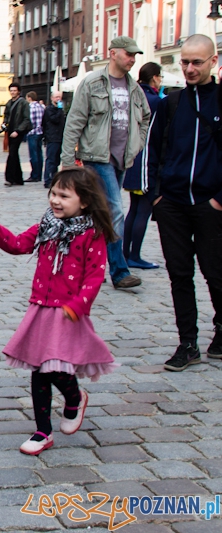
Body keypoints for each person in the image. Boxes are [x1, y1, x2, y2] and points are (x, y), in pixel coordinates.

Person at [0, 167, 118, 455]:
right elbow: (17, 244)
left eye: (64, 196)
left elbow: (95, 275)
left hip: (68, 312)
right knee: (40, 369)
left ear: (85, 202)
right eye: (53, 193)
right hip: (41, 308)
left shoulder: (92, 233)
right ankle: (44, 430)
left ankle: (74, 398)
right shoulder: (47, 225)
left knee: (51, 368)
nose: (55, 200)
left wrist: (78, 306)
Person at [143, 34, 222, 372]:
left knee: (216, 273)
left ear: (213, 62)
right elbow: (151, 152)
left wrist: (220, 200)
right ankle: (187, 342)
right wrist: (157, 197)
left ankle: (221, 329)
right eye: (185, 62)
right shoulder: (170, 103)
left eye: (197, 62)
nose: (189, 68)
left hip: (210, 203)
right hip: (172, 202)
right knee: (179, 274)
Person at [60, 36, 149, 290]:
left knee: (97, 214)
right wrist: (67, 159)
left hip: (122, 159)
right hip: (97, 157)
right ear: (113, 53)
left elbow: (145, 117)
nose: (132, 59)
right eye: (128, 54)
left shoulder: (134, 88)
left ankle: (79, 263)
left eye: (135, 55)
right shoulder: (93, 82)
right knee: (115, 211)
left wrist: (137, 144)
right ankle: (120, 272)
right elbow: (75, 121)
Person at [122, 62, 162, 270]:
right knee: (143, 210)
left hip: (131, 159)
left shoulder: (133, 96)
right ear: (155, 77)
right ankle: (134, 255)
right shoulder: (155, 100)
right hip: (146, 159)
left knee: (134, 209)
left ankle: (126, 253)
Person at [2, 82, 31, 186]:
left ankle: (10, 178)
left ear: (18, 91)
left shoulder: (23, 103)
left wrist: (18, 131)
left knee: (12, 153)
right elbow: (6, 115)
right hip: (10, 131)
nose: (12, 92)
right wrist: (4, 124)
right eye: (11, 90)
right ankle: (18, 179)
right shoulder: (9, 102)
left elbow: (26, 119)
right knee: (14, 154)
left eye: (14, 90)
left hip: (18, 132)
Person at [42, 91, 65, 188]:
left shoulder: (60, 110)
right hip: (52, 137)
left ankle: (54, 178)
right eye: (56, 97)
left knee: (56, 160)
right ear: (52, 98)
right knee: (50, 160)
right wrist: (59, 110)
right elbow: (54, 119)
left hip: (60, 137)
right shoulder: (49, 109)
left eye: (59, 97)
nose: (58, 99)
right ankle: (47, 180)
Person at [24, 91, 45, 183]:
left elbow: (30, 121)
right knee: (39, 154)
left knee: (33, 155)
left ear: (29, 98)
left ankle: (34, 175)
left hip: (32, 133)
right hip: (40, 132)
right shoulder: (41, 107)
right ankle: (39, 174)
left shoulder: (30, 107)